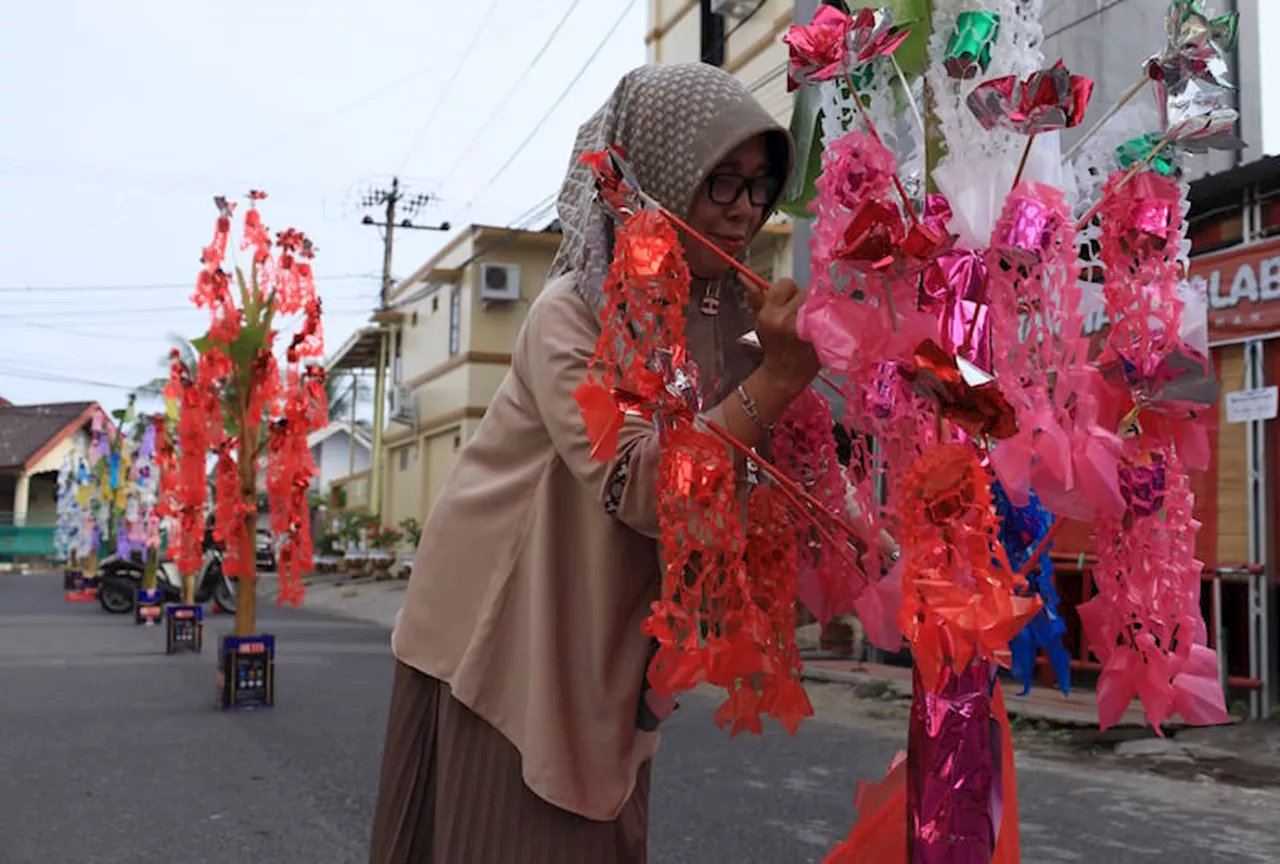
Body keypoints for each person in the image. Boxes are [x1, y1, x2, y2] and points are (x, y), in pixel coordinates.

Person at [368, 62, 822, 864]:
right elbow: (644, 484)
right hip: (510, 627)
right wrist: (776, 382)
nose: (746, 211)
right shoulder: (572, 316)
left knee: (599, 822)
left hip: (609, 634)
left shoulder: (722, 319)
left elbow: (747, 475)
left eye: (760, 186)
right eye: (722, 182)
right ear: (658, 177)